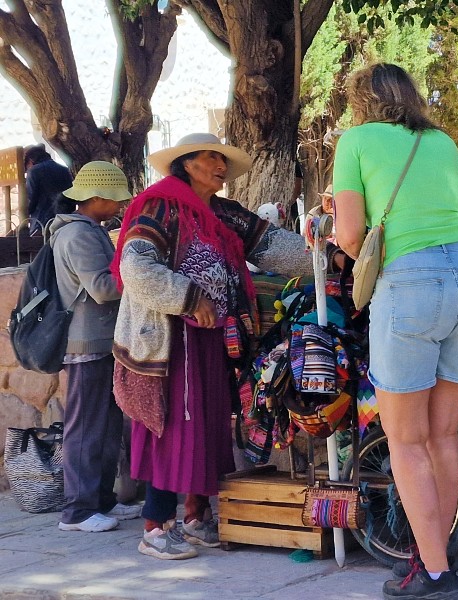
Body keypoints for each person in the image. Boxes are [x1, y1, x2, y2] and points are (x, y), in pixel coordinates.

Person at [333, 63, 458, 600]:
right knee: (444, 434)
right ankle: (437, 562)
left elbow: (351, 233)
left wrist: (359, 258)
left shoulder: (354, 140)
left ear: (361, 101)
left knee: (405, 440)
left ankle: (436, 574)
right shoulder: (442, 141)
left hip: (412, 282)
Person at [110, 133, 273, 560]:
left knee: (208, 424)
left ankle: (196, 517)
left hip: (210, 336)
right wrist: (189, 297)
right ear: (186, 163)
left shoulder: (222, 213)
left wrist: (328, 251)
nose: (220, 165)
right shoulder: (159, 205)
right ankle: (155, 529)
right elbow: (135, 265)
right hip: (168, 341)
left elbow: (272, 245)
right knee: (173, 428)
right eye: (210, 157)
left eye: (223, 158)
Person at [50, 161, 141, 532]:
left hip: (102, 343)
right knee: (86, 428)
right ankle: (77, 511)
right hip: (87, 345)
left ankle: (101, 500)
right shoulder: (79, 236)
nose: (120, 206)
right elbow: (103, 289)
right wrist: (138, 272)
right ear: (98, 198)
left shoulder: (89, 230)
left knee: (104, 427)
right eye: (116, 200)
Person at [24, 144, 74, 235]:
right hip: (65, 222)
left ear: (30, 161)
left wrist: (25, 214)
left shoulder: (34, 171)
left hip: (41, 224)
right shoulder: (65, 170)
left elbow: (31, 200)